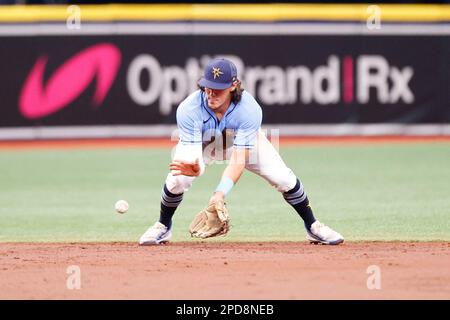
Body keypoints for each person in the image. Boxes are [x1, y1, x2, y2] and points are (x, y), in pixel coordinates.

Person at [139, 57, 344, 245]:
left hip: (240, 143)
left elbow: (238, 160)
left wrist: (219, 194)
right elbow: (193, 154)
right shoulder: (188, 109)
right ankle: (163, 227)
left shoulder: (249, 109)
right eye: (207, 87)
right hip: (203, 145)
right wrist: (196, 167)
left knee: (284, 179)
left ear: (233, 85)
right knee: (178, 179)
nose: (210, 93)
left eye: (217, 89)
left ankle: (313, 226)